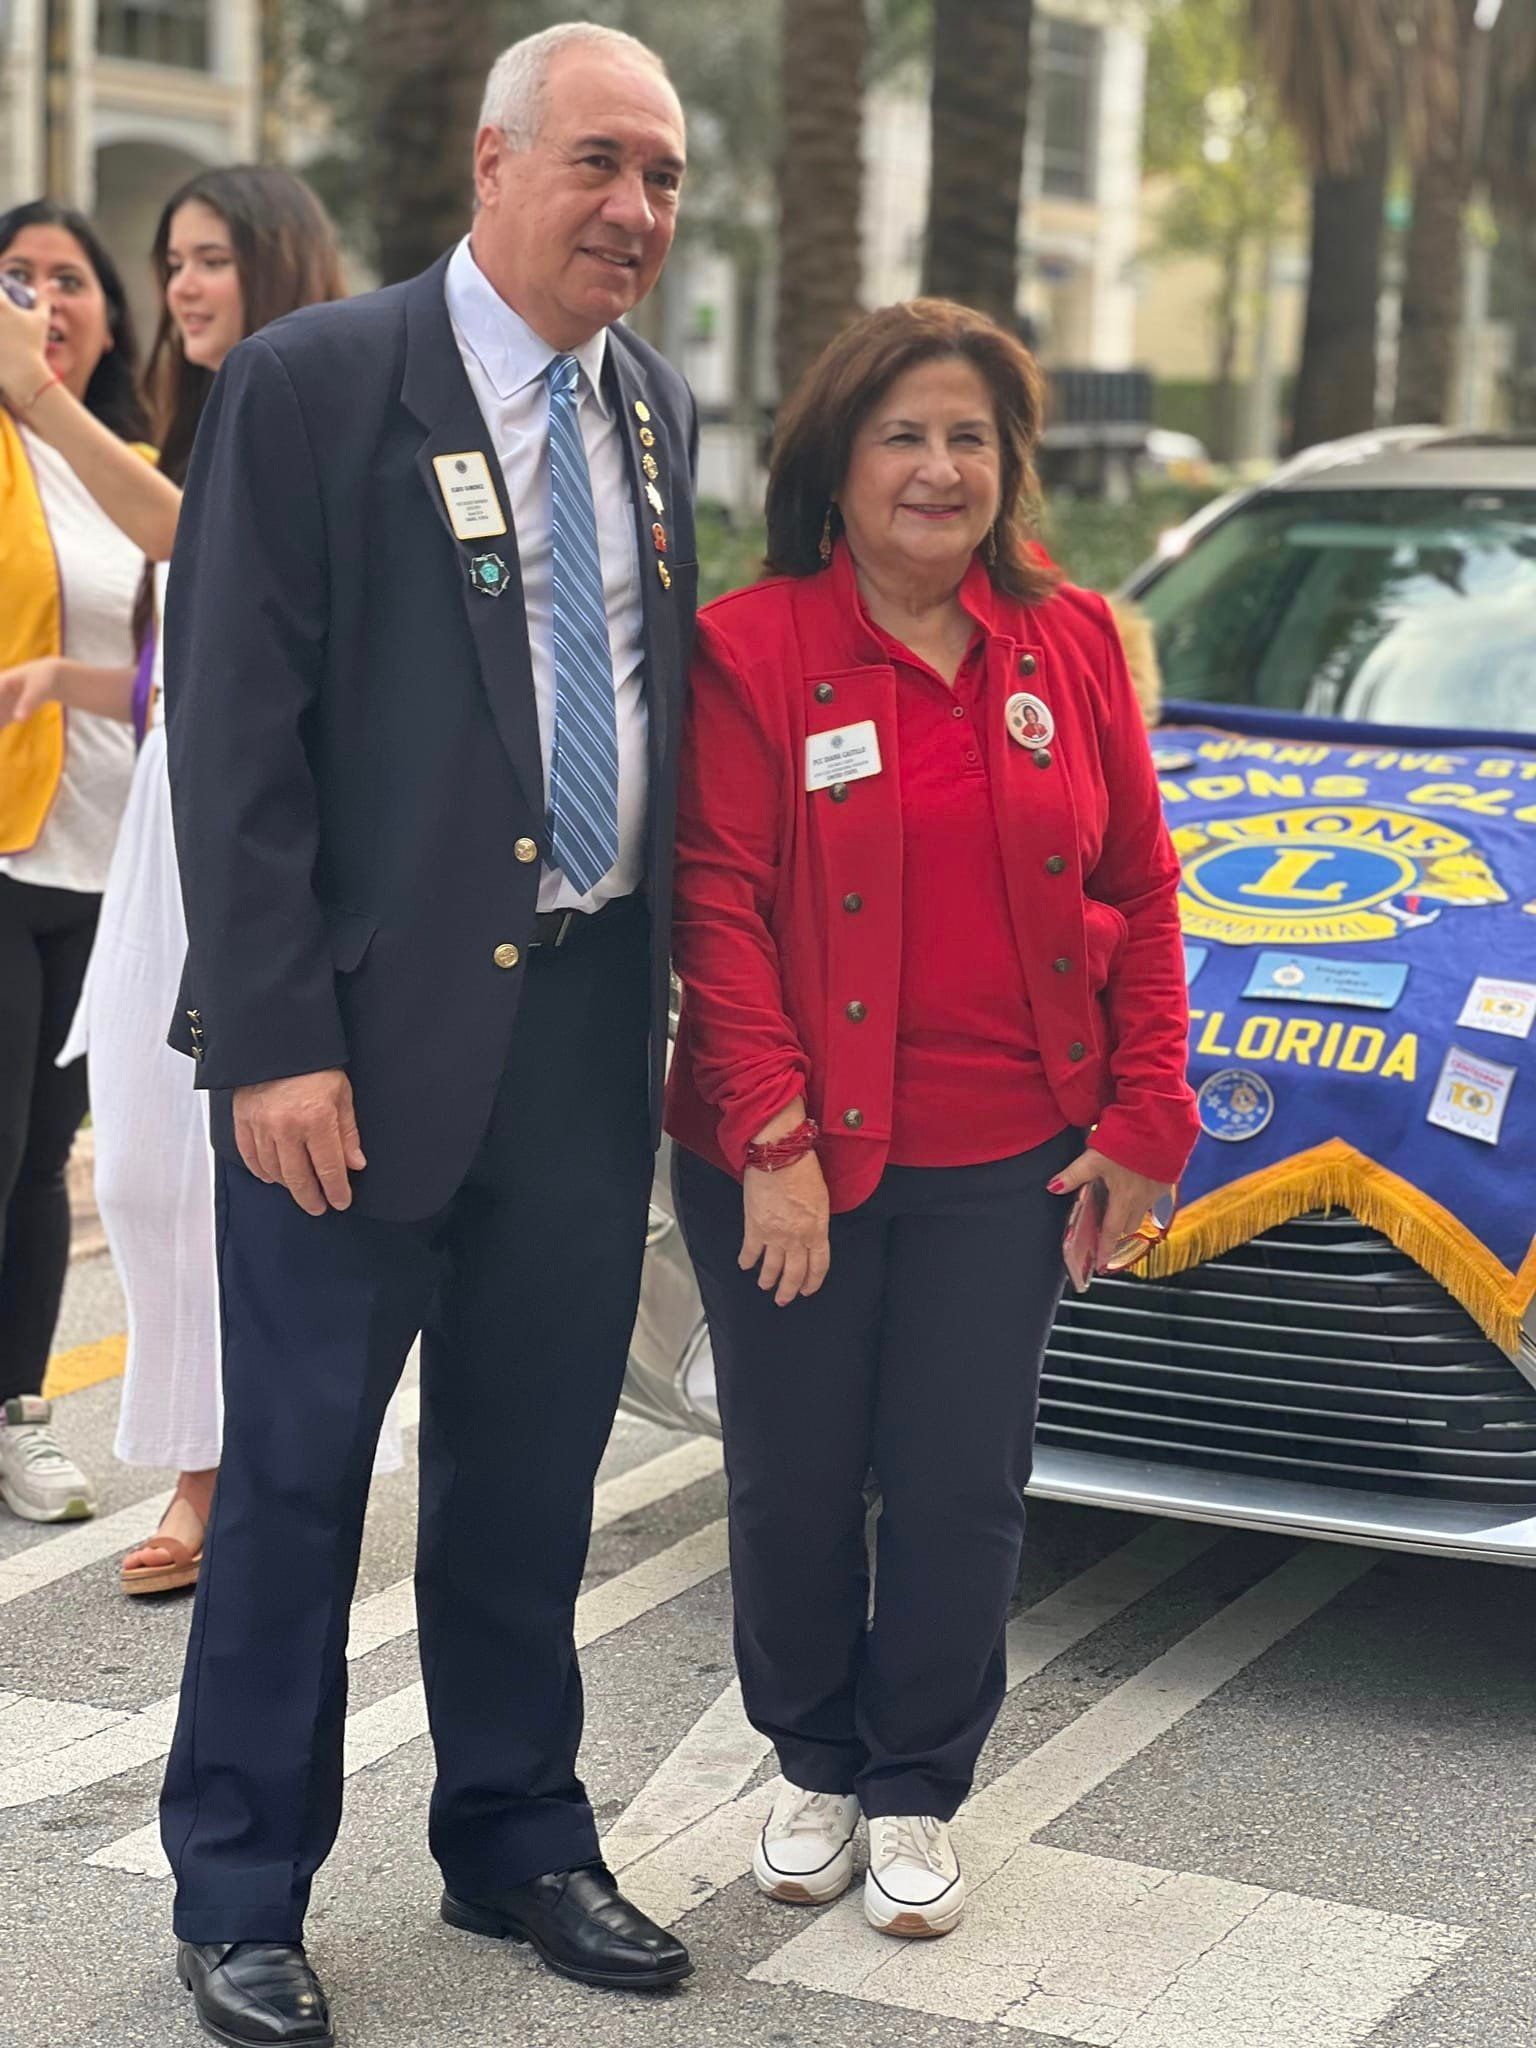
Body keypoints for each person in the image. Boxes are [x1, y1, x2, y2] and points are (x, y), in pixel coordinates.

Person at [158, 25, 698, 2044]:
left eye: (661, 177)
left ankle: (514, 1833)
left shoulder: (652, 413)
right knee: (297, 1473)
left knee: (531, 1469)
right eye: (599, 164)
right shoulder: (318, 386)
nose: (634, 210)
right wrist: (278, 1038)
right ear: (491, 163)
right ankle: (239, 1886)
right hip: (351, 1057)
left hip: (574, 1037)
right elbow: (239, 739)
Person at [666, 299, 1200, 1940]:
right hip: (790, 1158)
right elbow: (719, 906)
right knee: (795, 1479)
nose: (939, 465)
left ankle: (915, 1789)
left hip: (1007, 1154)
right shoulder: (753, 645)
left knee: (965, 1484)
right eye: (904, 432)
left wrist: (1145, 1118)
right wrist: (772, 1142)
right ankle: (814, 1761)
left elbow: (1140, 887)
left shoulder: (1077, 642)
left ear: (1008, 466)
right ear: (835, 463)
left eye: (970, 436)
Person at [3, 167, 405, 1598]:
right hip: (162, 830)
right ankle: (201, 1460)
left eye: (212, 259)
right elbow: (186, 675)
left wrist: (38, 398)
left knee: (235, 1163)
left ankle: (232, 1478)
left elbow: (192, 540)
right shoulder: (207, 410)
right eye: (171, 260)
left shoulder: (311, 410)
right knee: (154, 1173)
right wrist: (67, 676)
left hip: (256, 832)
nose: (182, 288)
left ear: (281, 264)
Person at [0, 202, 176, 1525]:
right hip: (6, 848)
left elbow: (180, 659)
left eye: (70, 278)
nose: (45, 300)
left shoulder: (135, 459)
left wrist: (71, 677)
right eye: (17, 278)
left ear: (110, 312)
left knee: (50, 1162)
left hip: (114, 864)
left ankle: (18, 1412)